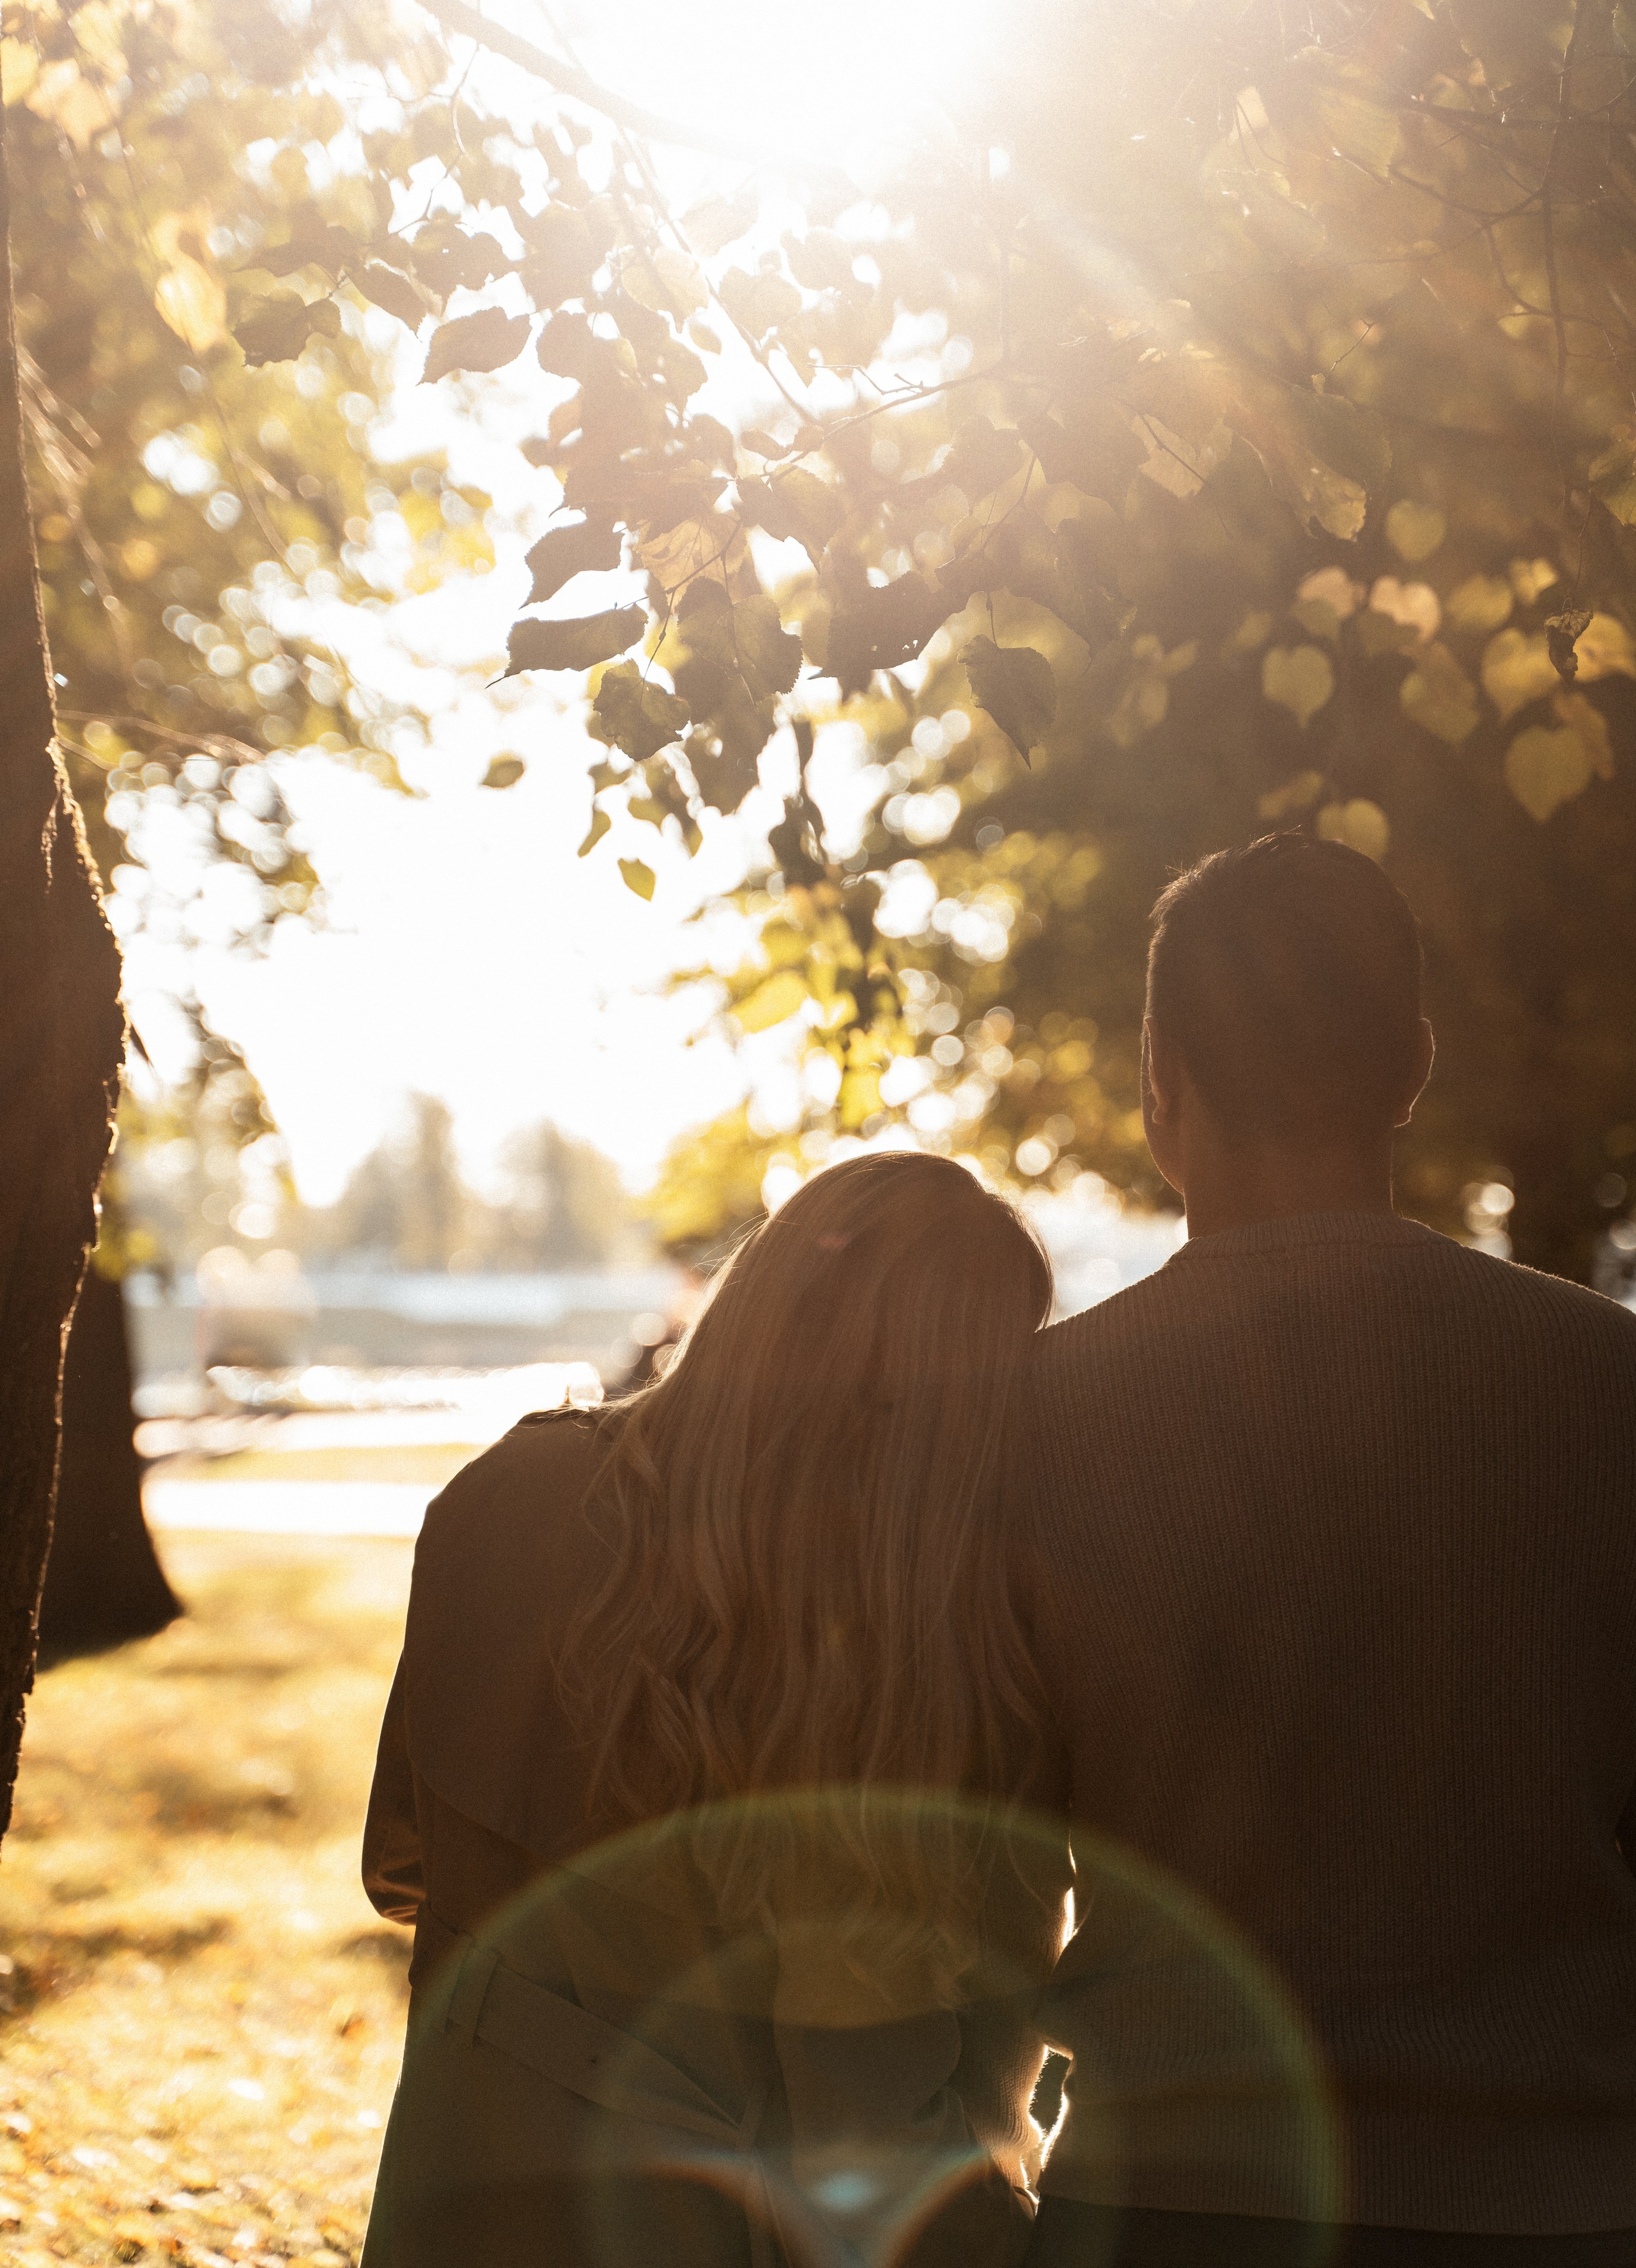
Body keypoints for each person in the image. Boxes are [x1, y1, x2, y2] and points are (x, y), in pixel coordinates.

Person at [1018, 834, 1636, 2266]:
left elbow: (962, 1855)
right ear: (1411, 1066)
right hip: (1556, 2198)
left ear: (1157, 1086)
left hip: (1164, 2197)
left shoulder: (1036, 1421)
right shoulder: (1610, 1388)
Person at [360, 1151, 1069, 2268]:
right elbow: (869, 2113)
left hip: (462, 2199)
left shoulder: (503, 1495)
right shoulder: (886, 1650)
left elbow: (403, 1864)